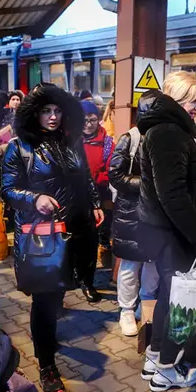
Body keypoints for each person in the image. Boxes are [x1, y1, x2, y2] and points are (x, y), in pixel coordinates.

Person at [1, 83, 104, 392]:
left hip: (72, 230)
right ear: (34, 114)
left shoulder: (70, 142)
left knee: (59, 293)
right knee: (44, 301)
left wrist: (95, 202)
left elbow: (84, 175)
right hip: (40, 237)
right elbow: (8, 189)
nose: (53, 117)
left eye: (58, 110)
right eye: (47, 110)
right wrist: (35, 199)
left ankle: (47, 339)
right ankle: (46, 364)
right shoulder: (18, 148)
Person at [138, 74, 196, 392]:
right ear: (181, 100)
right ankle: (168, 369)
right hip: (173, 232)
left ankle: (155, 357)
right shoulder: (169, 132)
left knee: (170, 295)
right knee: (179, 299)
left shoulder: (162, 128)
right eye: (195, 100)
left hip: (162, 230)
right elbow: (173, 196)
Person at [109, 92, 160, 337]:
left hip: (157, 213)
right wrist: (148, 184)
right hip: (131, 212)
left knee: (153, 263)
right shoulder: (129, 138)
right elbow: (115, 175)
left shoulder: (165, 137)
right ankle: (126, 310)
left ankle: (146, 303)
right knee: (131, 264)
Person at [80, 100, 114, 295]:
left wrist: (95, 179)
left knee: (90, 241)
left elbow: (112, 169)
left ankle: (87, 282)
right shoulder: (69, 140)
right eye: (84, 120)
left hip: (96, 200)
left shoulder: (108, 143)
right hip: (72, 199)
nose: (88, 124)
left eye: (92, 120)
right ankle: (72, 276)